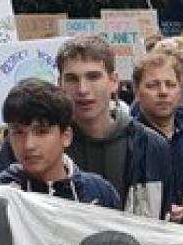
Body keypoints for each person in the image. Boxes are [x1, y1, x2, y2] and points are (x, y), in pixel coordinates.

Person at [55, 35, 166, 217]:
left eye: (93, 77)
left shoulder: (151, 146)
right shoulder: (44, 144)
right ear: (60, 84)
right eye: (72, 79)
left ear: (114, 82)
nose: (83, 89)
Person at [0, 80, 121, 205]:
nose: (29, 145)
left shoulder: (99, 192)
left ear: (66, 136)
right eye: (18, 132)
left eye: (41, 132)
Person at [131, 51, 183, 223]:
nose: (163, 92)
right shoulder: (127, 143)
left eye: (170, 85)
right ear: (137, 91)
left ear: (181, 91)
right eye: (153, 85)